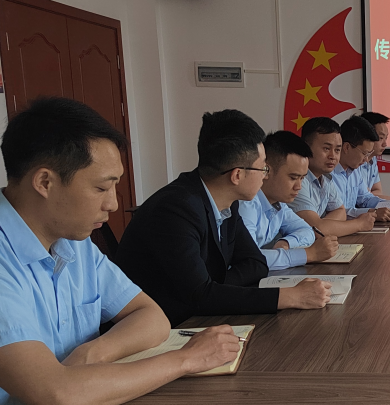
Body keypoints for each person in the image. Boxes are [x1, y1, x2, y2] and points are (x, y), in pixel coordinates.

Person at [0, 97, 240, 405]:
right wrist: (186, 360)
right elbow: (57, 397)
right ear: (45, 182)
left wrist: (93, 354)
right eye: (102, 188)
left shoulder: (74, 244)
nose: (113, 204)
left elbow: (151, 317)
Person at [115, 109, 331, 326]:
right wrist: (290, 296)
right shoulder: (175, 209)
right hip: (163, 327)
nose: (265, 175)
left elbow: (256, 263)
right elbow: (200, 297)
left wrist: (215, 287)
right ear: (237, 175)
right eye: (263, 168)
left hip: (199, 316)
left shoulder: (228, 203)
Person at [239, 130, 339, 269]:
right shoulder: (246, 205)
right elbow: (248, 259)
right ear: (266, 171)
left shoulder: (279, 205)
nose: (299, 186)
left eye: (302, 178)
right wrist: (309, 254)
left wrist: (286, 243)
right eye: (293, 178)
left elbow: (307, 231)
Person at [291, 117, 378, 237]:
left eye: (337, 150)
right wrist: (359, 224)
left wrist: (323, 225)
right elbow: (318, 230)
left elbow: (340, 212)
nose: (333, 156)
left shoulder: (325, 178)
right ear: (306, 147)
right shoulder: (297, 180)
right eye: (326, 148)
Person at [331, 115, 390, 220]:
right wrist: (372, 213)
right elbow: (338, 213)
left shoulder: (354, 170)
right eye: (364, 153)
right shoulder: (329, 174)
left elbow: (366, 199)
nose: (366, 160)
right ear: (347, 147)